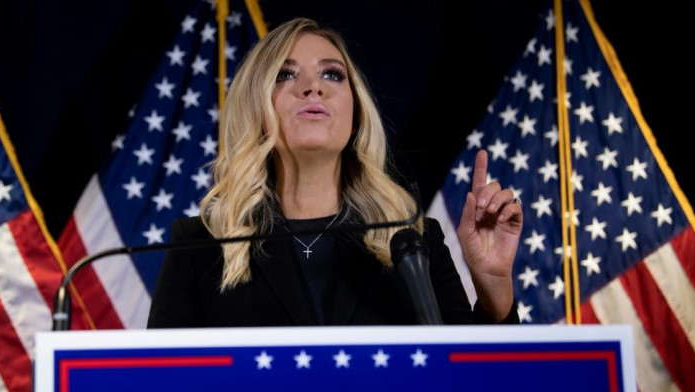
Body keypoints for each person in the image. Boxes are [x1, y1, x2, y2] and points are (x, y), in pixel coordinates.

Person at [146, 17, 522, 328]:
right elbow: (159, 389)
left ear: (356, 113)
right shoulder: (198, 246)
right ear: (257, 109)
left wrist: (494, 288)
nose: (312, 88)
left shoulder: (412, 243)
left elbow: (469, 389)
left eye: (332, 75)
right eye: (284, 74)